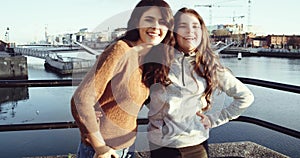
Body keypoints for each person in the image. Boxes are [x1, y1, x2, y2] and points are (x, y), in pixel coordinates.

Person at [70, 0, 175, 158]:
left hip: (127, 148)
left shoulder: (150, 59)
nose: (155, 26)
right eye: (149, 20)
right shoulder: (121, 50)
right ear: (137, 22)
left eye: (162, 22)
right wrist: (100, 147)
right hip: (102, 150)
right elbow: (81, 100)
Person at [146, 7, 254, 158]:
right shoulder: (157, 62)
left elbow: (245, 96)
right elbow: (140, 94)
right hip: (160, 145)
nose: (190, 31)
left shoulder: (209, 66)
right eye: (183, 26)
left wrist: (214, 119)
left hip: (196, 146)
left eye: (195, 26)